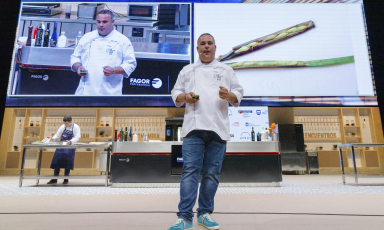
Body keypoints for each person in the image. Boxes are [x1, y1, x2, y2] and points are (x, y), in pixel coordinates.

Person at [168, 33, 244, 230]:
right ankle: (184, 218)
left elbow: (239, 93)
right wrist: (186, 96)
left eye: (210, 43)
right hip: (193, 129)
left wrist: (229, 95)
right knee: (190, 172)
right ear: (197, 49)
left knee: (212, 174)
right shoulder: (188, 70)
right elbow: (175, 93)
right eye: (202, 44)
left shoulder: (226, 70)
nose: (206, 46)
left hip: (218, 128)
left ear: (215, 48)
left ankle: (204, 214)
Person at [70, 9, 137, 95]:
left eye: (104, 22)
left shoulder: (122, 40)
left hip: (108, 93)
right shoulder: (87, 37)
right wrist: (78, 66)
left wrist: (113, 70)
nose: (101, 25)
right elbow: (75, 57)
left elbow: (131, 64)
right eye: (98, 22)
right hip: (84, 92)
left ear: (112, 22)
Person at [47, 115, 81, 185]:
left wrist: (70, 141)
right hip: (61, 147)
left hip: (69, 146)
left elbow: (77, 137)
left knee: (67, 163)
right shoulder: (62, 126)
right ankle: (54, 178)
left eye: (66, 123)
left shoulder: (76, 127)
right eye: (64, 123)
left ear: (70, 122)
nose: (65, 124)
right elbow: (57, 135)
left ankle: (66, 179)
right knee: (57, 162)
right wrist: (52, 138)